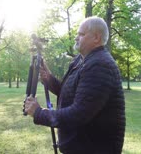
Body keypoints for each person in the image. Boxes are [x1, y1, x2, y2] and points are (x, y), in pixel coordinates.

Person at [24, 16, 126, 154]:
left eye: (81, 34)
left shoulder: (100, 65)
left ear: (96, 38)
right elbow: (70, 93)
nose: (76, 37)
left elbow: (79, 114)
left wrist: (39, 113)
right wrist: (49, 79)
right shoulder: (81, 60)